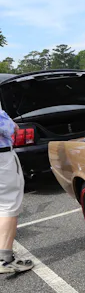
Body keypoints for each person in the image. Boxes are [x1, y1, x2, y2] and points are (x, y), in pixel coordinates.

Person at [0, 109, 33, 274]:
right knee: (8, 205)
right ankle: (5, 259)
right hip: (2, 159)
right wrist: (11, 123)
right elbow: (10, 128)